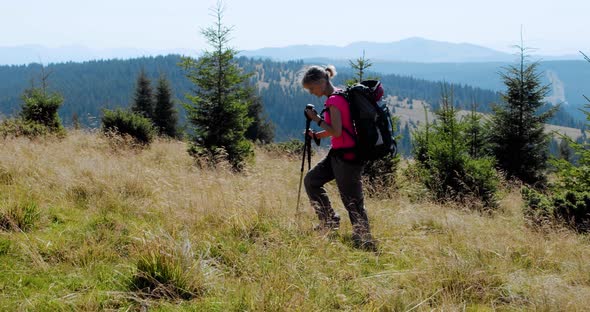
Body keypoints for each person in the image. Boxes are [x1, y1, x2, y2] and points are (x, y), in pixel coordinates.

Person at [301, 65, 375, 250]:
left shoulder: (334, 101)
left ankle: (364, 238)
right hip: (338, 153)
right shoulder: (339, 95)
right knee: (312, 180)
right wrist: (318, 135)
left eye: (311, 88)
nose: (312, 93)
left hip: (347, 157)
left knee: (352, 199)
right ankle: (329, 221)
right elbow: (340, 128)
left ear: (321, 82)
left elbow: (337, 130)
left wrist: (316, 118)